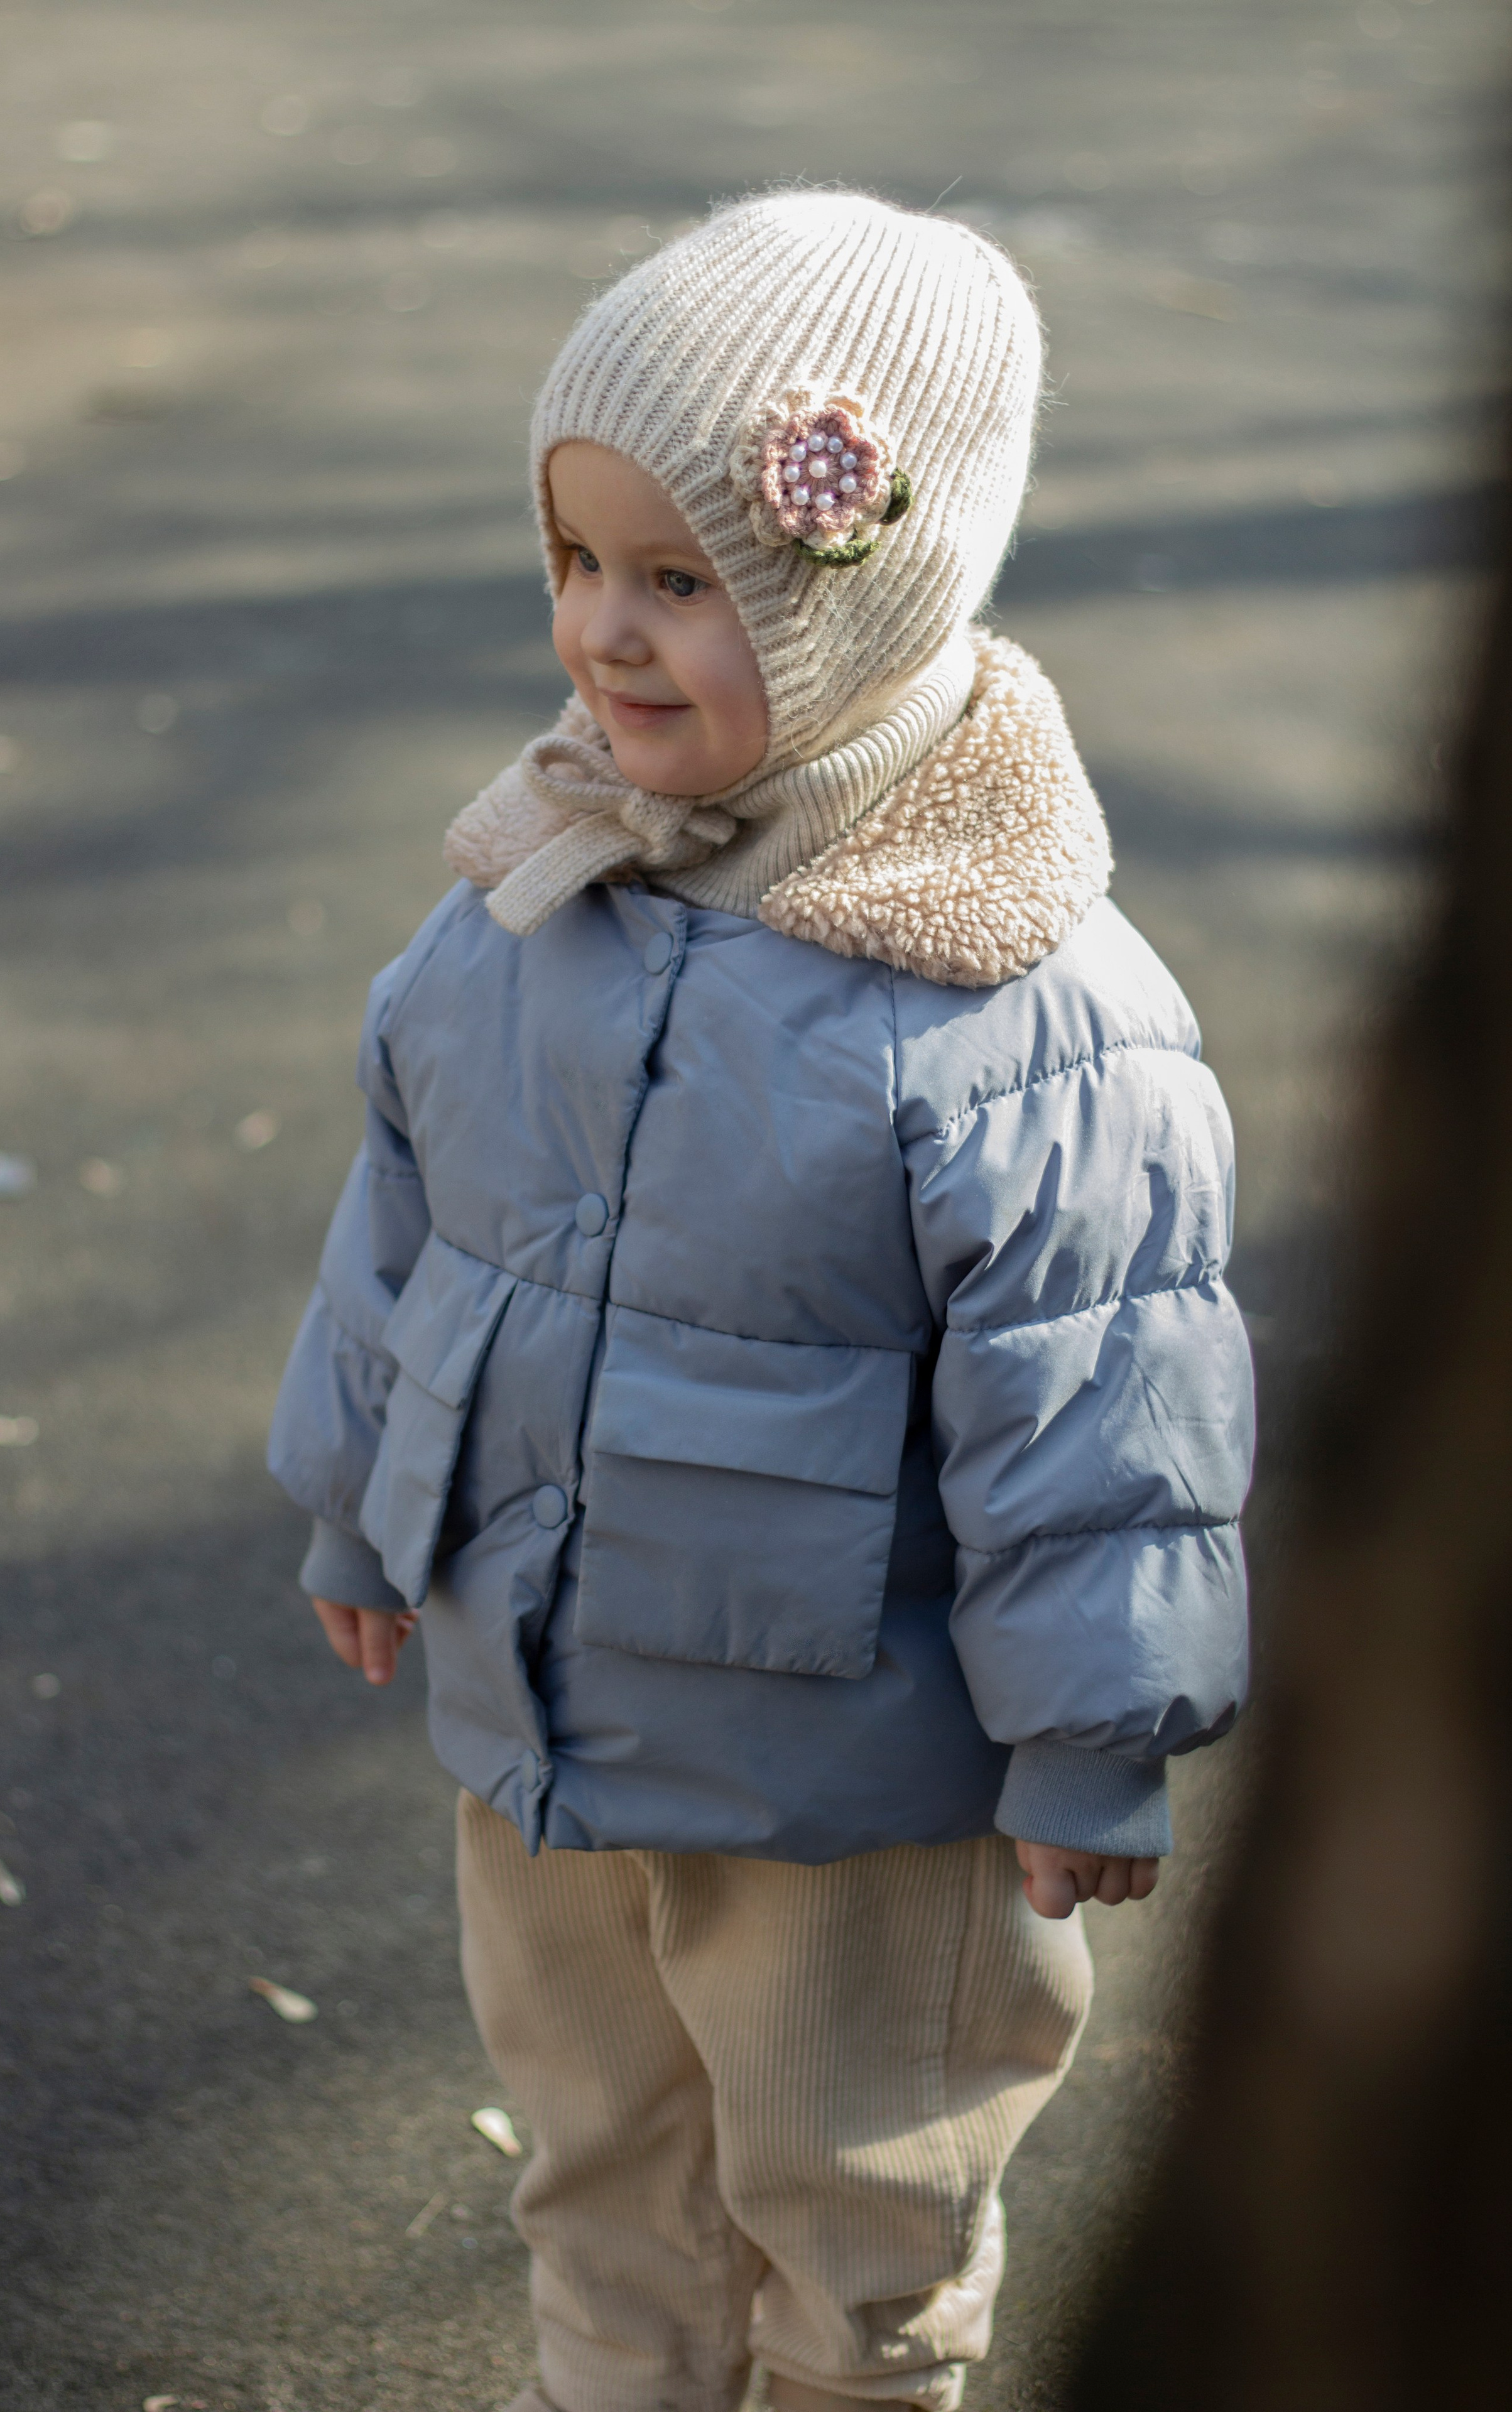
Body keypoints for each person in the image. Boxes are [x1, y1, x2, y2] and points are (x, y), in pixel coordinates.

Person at [268, 190, 1254, 2412]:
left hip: (854, 1780)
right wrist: (360, 1507)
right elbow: (405, 1216)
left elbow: (1108, 1398)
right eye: (578, 562)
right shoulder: (533, 884)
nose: (605, 636)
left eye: (685, 581)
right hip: (547, 1711)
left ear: (866, 596)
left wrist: (1092, 1735)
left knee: (860, 2218)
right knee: (601, 2176)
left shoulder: (1019, 1002)